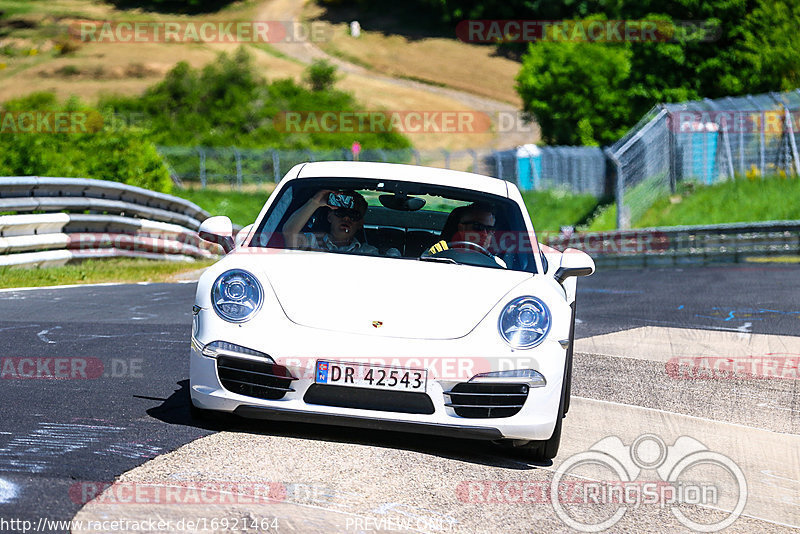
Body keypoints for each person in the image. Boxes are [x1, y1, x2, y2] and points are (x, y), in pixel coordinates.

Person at [282, 189, 379, 255]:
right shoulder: (311, 241)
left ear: (360, 223)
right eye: (340, 212)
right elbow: (289, 233)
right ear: (329, 217)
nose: (346, 218)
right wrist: (315, 202)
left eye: (353, 215)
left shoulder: (368, 252)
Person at [430, 202, 496, 254]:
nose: (484, 234)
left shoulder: (498, 265)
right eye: (478, 227)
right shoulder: (438, 253)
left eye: (489, 229)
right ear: (462, 228)